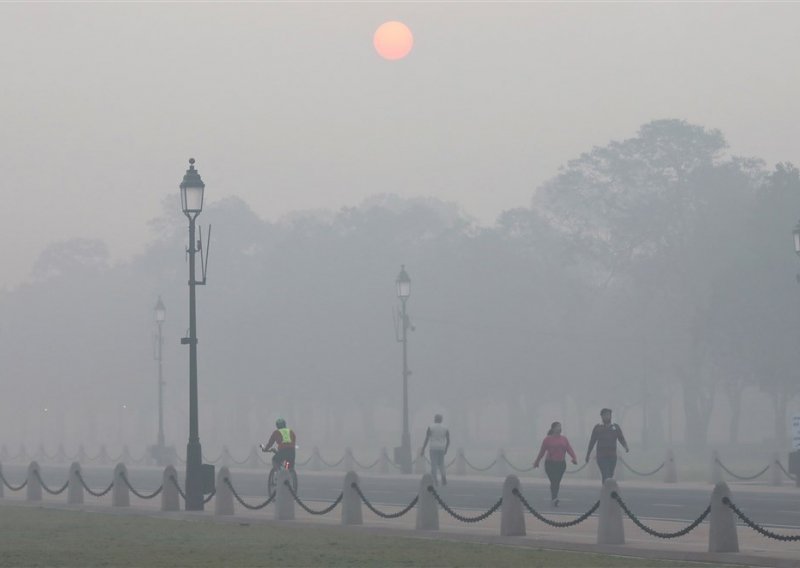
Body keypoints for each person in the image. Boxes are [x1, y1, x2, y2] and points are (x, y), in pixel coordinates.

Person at [533, 421, 577, 507]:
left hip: (561, 464)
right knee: (554, 481)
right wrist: (537, 461)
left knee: (557, 481)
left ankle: (554, 497)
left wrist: (574, 458)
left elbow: (569, 449)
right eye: (557, 427)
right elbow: (541, 452)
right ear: (553, 428)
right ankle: (554, 498)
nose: (559, 428)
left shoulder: (564, 439)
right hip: (550, 464)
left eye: (560, 427)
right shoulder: (547, 439)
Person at [585, 408, 629, 482]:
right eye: (605, 415)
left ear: (611, 416)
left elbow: (621, 438)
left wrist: (625, 447)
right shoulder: (598, 427)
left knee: (610, 475)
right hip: (601, 456)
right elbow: (592, 442)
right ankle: (607, 491)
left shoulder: (615, 427)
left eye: (608, 415)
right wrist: (588, 455)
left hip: (612, 456)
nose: (607, 416)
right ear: (601, 416)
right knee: (606, 474)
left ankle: (606, 489)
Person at [420, 414, 450, 486]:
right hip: (442, 448)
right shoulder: (445, 428)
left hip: (433, 447)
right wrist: (446, 449)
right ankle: (443, 477)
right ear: (441, 419)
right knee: (441, 464)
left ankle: (435, 479)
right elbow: (448, 440)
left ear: (435, 419)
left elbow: (427, 438)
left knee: (434, 464)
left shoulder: (431, 427)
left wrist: (423, 449)